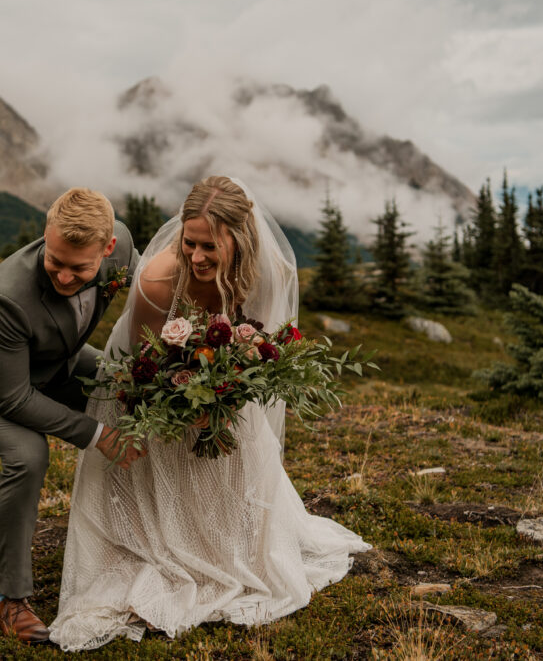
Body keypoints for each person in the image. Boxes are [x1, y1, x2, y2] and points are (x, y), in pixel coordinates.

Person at [48, 176, 371, 651]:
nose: (196, 257)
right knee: (162, 463)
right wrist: (182, 405)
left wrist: (226, 395)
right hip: (148, 385)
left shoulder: (268, 275)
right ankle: (158, 538)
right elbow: (142, 370)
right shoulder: (159, 279)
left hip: (219, 386)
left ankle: (220, 544)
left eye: (209, 247)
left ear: (239, 243)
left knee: (233, 448)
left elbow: (266, 352)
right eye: (189, 243)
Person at [0, 187, 143, 644]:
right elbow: (15, 399)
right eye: (55, 261)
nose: (65, 277)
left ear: (108, 248)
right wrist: (96, 433)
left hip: (58, 355)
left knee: (136, 385)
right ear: (44, 235)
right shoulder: (6, 296)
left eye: (81, 268)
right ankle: (9, 597)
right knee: (27, 456)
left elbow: (156, 287)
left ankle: (143, 539)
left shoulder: (123, 246)